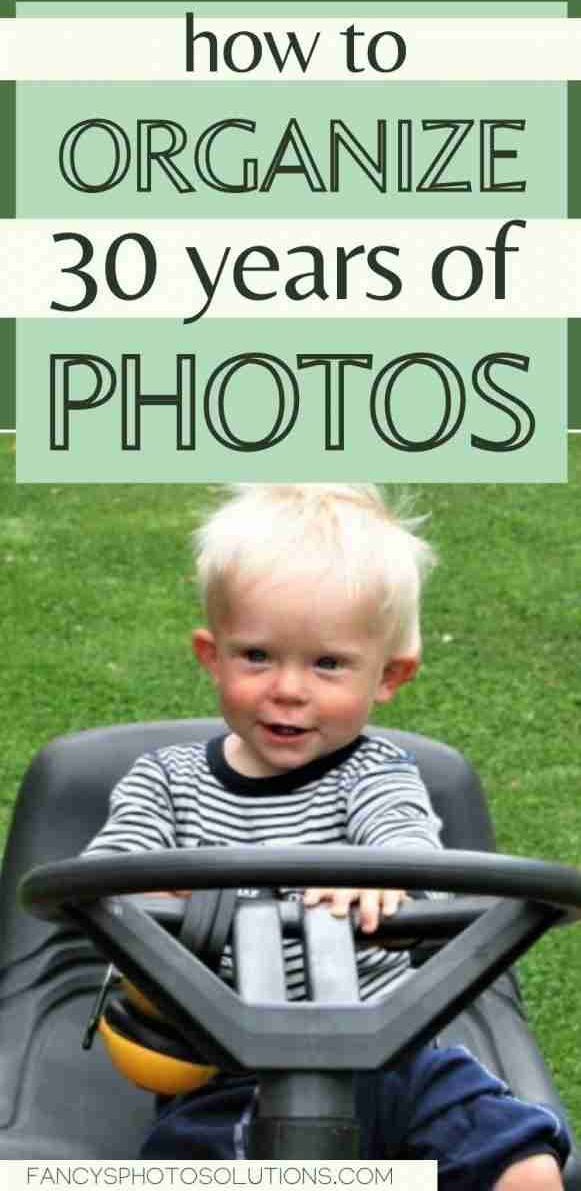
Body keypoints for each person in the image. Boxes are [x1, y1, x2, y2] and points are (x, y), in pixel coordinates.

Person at [84, 483, 570, 1188]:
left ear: (389, 676)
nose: (287, 688)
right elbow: (106, 876)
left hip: (395, 1053)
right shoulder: (165, 780)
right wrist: (158, 889)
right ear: (210, 656)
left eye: (327, 664)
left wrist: (377, 874)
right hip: (227, 1066)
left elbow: (410, 849)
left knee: (525, 1166)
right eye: (256, 655)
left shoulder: (377, 775)